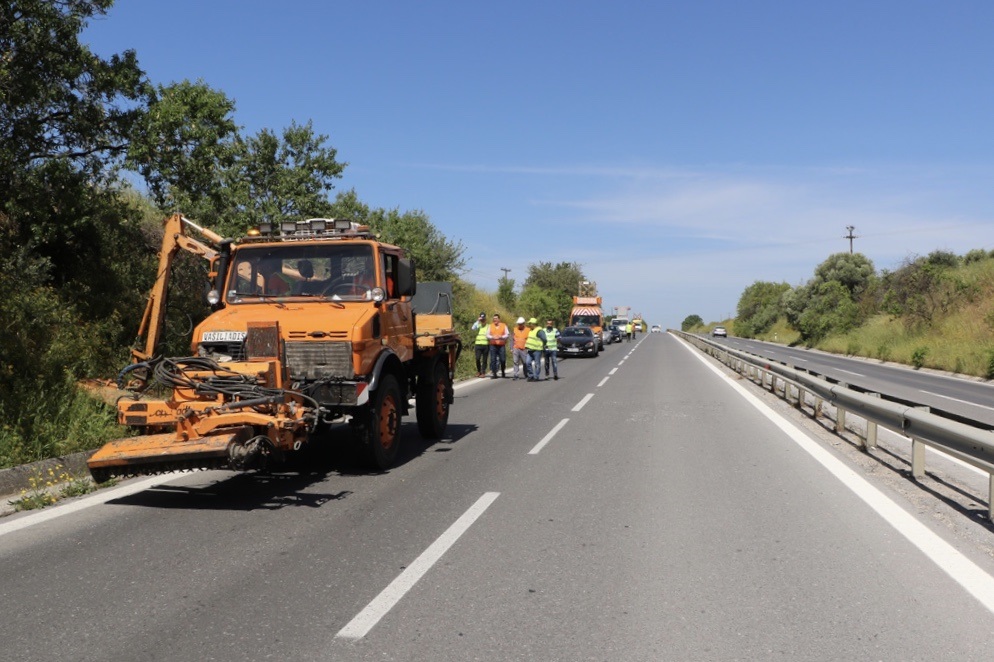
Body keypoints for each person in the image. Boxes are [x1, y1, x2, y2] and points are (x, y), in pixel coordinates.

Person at [486, 313, 509, 378]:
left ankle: (503, 371)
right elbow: (487, 335)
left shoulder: (504, 325)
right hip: (493, 345)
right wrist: (492, 337)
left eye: (496, 318)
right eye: (494, 319)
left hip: (501, 345)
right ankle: (494, 373)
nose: (494, 320)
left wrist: (501, 337)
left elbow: (507, 334)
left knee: (503, 360)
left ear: (499, 319)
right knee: (493, 360)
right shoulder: (490, 326)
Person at [471, 312, 489, 378]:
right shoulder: (479, 325)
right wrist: (478, 321)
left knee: (484, 360)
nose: (482, 321)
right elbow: (473, 328)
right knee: (477, 358)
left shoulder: (488, 326)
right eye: (481, 319)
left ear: (485, 319)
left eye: (483, 319)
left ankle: (483, 372)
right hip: (478, 345)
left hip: (486, 345)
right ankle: (479, 371)